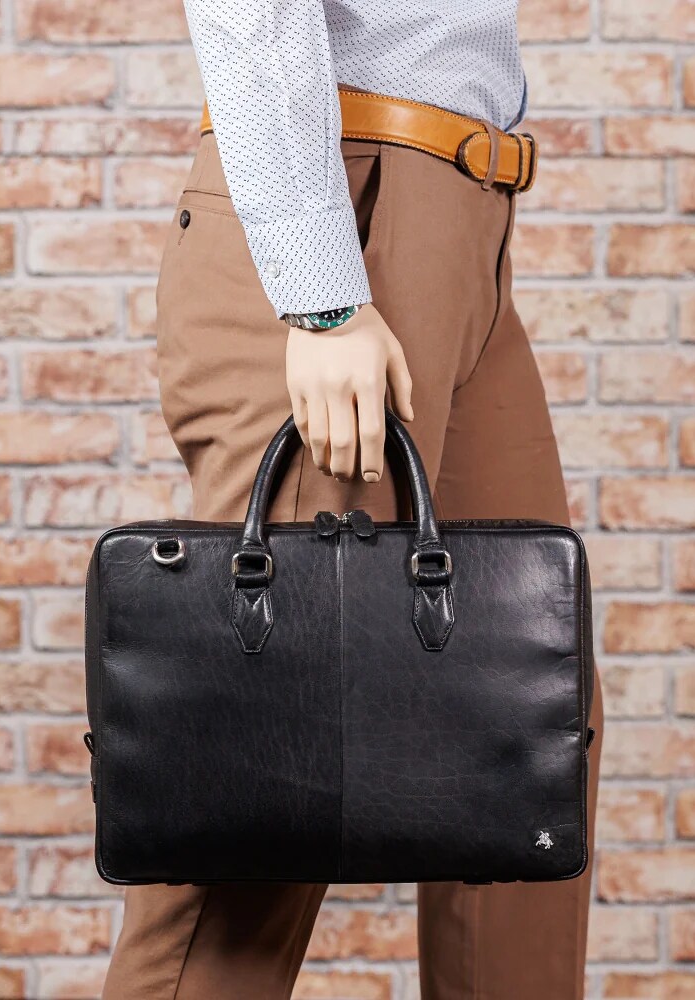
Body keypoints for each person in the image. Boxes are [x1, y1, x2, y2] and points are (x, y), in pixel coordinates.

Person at [101, 2, 605, 997]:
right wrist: (323, 298)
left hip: (463, 219)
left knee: (526, 737)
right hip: (350, 206)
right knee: (268, 762)